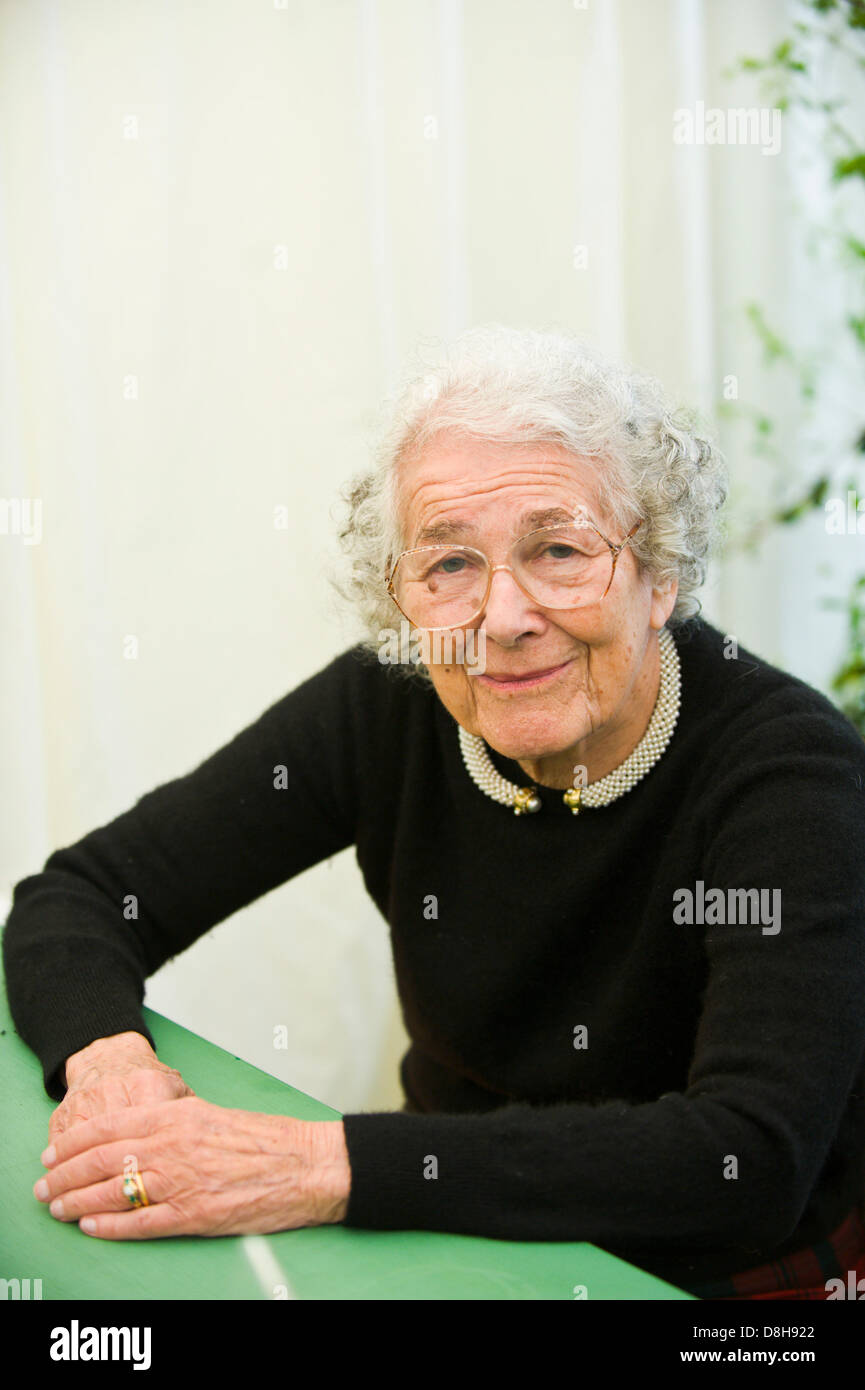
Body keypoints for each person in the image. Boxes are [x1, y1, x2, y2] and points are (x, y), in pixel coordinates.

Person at [4, 324, 865, 1300]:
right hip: (455, 1241)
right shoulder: (393, 703)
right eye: (449, 565)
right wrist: (107, 1058)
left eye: (558, 548)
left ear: (659, 573)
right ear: (401, 601)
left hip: (723, 1285)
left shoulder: (791, 772)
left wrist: (314, 1165)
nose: (502, 616)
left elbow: (744, 1159)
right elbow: (86, 894)